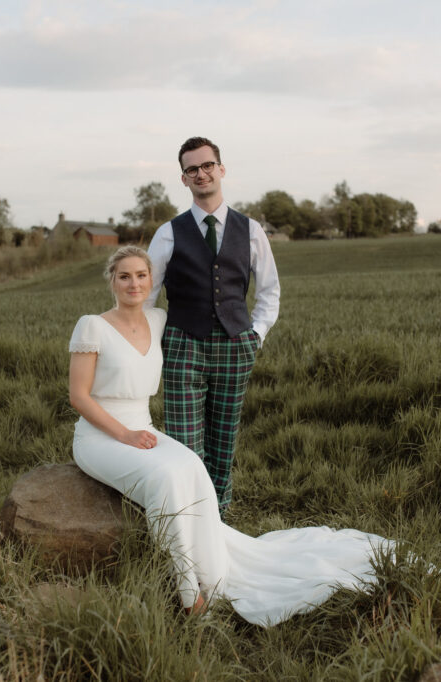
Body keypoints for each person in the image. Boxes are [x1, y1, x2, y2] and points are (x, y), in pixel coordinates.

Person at [70, 246, 392, 626]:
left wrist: (247, 335)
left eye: (141, 275)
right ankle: (188, 591)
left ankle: (212, 567)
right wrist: (124, 435)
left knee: (193, 468)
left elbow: (205, 311)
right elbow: (78, 395)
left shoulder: (158, 319)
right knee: (165, 478)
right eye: (124, 276)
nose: (134, 283)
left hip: (144, 427)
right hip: (101, 436)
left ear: (151, 280)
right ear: (112, 281)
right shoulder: (92, 325)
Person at [146, 136, 281, 518]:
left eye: (207, 166)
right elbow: (147, 296)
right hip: (182, 344)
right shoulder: (168, 233)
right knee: (184, 444)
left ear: (221, 170)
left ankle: (218, 518)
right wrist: (147, 344)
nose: (201, 173)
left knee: (223, 442)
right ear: (184, 179)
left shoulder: (251, 230)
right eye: (192, 169)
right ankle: (187, 516)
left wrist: (256, 335)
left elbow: (269, 289)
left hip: (236, 345)